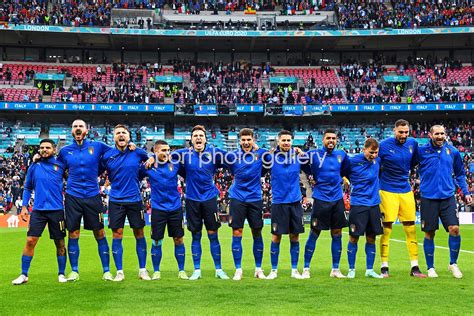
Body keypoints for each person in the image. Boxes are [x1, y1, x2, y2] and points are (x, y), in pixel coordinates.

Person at [172, 125, 229, 280]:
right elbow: (164, 155)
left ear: (205, 139)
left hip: (209, 199)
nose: (198, 138)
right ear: (191, 139)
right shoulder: (183, 154)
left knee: (213, 235)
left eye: (201, 135)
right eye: (195, 135)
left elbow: (233, 158)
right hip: (192, 199)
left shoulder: (215, 153)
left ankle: (218, 269)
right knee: (195, 235)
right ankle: (197, 270)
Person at [417, 125, 472, 278]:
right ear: (430, 135)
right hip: (428, 197)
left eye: (442, 133)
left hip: (448, 197)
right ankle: (430, 267)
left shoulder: (452, 151)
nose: (440, 136)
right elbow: (406, 164)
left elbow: (460, 174)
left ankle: (453, 264)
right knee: (429, 233)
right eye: (437, 134)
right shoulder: (421, 151)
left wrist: (466, 193)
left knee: (454, 229)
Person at [101, 125, 153, 281]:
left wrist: (150, 157)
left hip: (135, 199)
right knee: (117, 234)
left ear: (129, 137)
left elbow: (151, 157)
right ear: (114, 137)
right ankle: (119, 272)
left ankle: (143, 270)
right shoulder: (107, 155)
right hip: (116, 200)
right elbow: (96, 169)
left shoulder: (137, 152)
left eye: (124, 133)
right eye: (118, 133)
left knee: (139, 233)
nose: (121, 135)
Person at [12, 139, 67, 285]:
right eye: (42, 147)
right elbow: (27, 187)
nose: (44, 150)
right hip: (38, 211)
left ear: (54, 149)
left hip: (57, 210)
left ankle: (61, 274)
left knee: (60, 243)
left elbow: (73, 180)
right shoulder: (34, 167)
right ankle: (24, 274)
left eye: (47, 147)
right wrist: (24, 207)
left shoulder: (61, 165)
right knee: (30, 241)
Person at [378, 119, 425, 278]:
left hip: (405, 190)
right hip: (387, 190)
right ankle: (384, 267)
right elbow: (375, 165)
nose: (404, 135)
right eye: (401, 132)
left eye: (406, 132)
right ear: (394, 131)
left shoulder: (413, 143)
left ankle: (415, 267)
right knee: (387, 229)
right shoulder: (383, 145)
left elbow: (413, 163)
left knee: (411, 229)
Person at [302, 128, 350, 279]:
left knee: (337, 234)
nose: (331, 141)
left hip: (337, 199)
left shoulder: (342, 155)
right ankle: (306, 268)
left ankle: (335, 269)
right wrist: (311, 174)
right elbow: (302, 164)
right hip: (321, 199)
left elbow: (345, 170)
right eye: (328, 138)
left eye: (334, 138)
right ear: (323, 140)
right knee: (314, 233)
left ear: (337, 140)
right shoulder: (313, 154)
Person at [264, 130, 309, 280]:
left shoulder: (298, 157)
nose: (286, 143)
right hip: (279, 202)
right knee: (276, 237)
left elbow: (311, 166)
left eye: (288, 140)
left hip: (295, 202)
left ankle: (294, 270)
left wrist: (303, 154)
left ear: (292, 142)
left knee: (294, 237)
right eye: (283, 140)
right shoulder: (270, 158)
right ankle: (274, 270)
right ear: (278, 141)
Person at [141, 140, 188, 280]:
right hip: (158, 209)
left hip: (175, 208)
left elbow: (184, 153)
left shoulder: (175, 163)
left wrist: (153, 155)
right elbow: (136, 168)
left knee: (178, 239)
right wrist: (149, 157)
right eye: (163, 150)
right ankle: (156, 271)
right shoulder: (148, 167)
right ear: (155, 152)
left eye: (168, 150)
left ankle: (181, 270)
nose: (167, 153)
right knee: (156, 240)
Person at [225, 128, 267, 280]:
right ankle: (238, 269)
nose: (246, 142)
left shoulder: (261, 154)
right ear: (239, 141)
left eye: (249, 139)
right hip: (237, 198)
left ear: (253, 140)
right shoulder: (232, 156)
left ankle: (258, 269)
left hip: (255, 198)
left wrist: (259, 149)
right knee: (237, 232)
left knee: (257, 232)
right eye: (243, 140)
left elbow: (272, 157)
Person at [346, 138, 384, 279]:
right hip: (358, 204)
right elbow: (342, 171)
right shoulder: (353, 161)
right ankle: (351, 269)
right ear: (364, 149)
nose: (373, 155)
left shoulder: (377, 161)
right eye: (371, 152)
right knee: (354, 237)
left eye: (376, 153)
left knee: (371, 238)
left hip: (374, 205)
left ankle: (369, 270)